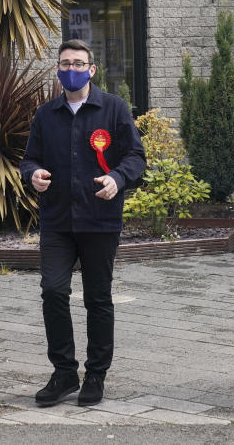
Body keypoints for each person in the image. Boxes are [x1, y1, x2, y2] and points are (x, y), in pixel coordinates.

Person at [19, 39, 146, 408]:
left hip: (99, 220)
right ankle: (64, 372)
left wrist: (117, 179)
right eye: (64, 63)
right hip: (57, 220)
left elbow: (136, 156)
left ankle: (95, 374)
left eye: (78, 63)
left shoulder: (113, 109)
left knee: (98, 298)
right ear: (57, 69)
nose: (70, 69)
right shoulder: (46, 114)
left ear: (91, 70)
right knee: (53, 291)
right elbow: (29, 159)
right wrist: (34, 174)